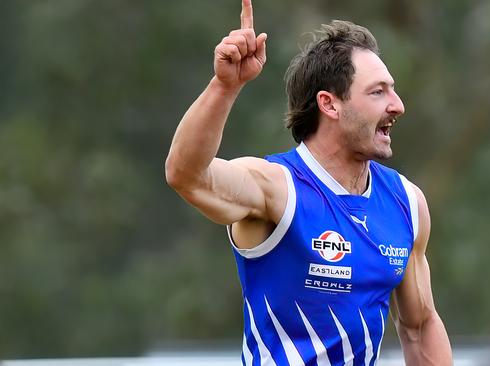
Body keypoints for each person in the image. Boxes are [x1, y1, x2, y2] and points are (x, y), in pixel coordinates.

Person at [165, 1, 452, 365]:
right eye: (378, 92)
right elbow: (186, 174)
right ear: (329, 105)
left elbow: (420, 326)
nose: (398, 105)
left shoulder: (407, 202)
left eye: (392, 90)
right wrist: (224, 87)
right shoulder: (275, 187)